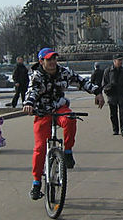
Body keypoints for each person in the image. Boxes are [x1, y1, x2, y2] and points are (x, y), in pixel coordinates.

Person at [22, 48, 105, 199]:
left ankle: (67, 152)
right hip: (42, 112)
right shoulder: (37, 76)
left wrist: (97, 92)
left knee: (70, 118)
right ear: (41, 61)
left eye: (54, 59)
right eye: (49, 60)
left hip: (60, 107)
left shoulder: (64, 72)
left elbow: (82, 82)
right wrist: (29, 103)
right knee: (40, 148)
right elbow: (32, 91)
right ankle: (36, 183)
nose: (53, 62)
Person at [102, 54, 123, 136]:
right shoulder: (108, 71)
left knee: (122, 113)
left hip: (122, 95)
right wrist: (107, 90)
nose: (121, 62)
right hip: (112, 96)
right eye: (119, 60)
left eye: (121, 60)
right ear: (114, 61)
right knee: (113, 114)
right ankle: (115, 129)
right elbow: (104, 83)